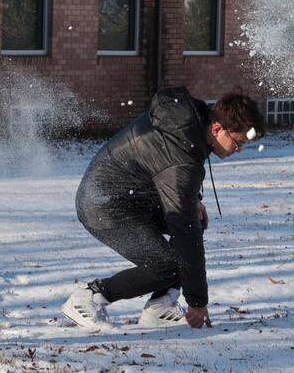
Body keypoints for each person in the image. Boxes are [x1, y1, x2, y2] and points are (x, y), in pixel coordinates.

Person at [61, 86, 262, 331]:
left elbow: (163, 167)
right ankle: (91, 296)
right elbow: (186, 231)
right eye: (237, 143)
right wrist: (198, 302)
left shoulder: (189, 125)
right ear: (217, 128)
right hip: (102, 205)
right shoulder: (181, 150)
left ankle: (160, 305)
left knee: (193, 223)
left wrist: (193, 199)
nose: (238, 150)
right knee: (168, 264)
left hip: (130, 196)